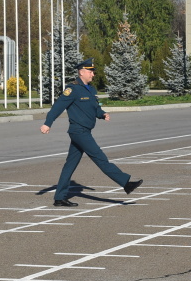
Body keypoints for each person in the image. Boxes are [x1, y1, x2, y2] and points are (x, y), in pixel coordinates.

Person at [40, 58, 142, 207]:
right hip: (79, 132)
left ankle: (59, 198)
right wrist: (47, 123)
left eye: (93, 71)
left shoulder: (91, 90)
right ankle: (125, 183)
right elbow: (58, 107)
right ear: (81, 72)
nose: (93, 74)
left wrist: (102, 114)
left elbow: (95, 107)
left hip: (84, 131)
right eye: (90, 71)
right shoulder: (72, 89)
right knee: (100, 158)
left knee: (70, 165)